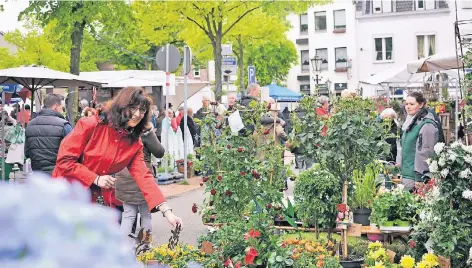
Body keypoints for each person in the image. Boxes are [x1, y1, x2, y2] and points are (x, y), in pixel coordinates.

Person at [52, 87, 182, 227]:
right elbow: (64, 161)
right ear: (121, 106)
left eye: (142, 110)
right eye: (133, 108)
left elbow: (143, 176)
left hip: (97, 200)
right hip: (67, 194)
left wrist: (167, 211)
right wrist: (95, 178)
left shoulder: (133, 142)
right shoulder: (90, 125)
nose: (137, 114)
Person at [115, 122, 165, 244]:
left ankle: (122, 248)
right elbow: (159, 152)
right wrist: (150, 131)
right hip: (142, 176)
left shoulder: (118, 128)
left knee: (128, 215)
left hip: (122, 176)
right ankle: (145, 247)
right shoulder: (144, 131)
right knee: (146, 215)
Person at [25, 94, 72, 175]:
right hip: (59, 174)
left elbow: (27, 153)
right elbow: (72, 152)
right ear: (56, 106)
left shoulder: (30, 125)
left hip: (37, 175)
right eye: (61, 107)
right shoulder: (64, 125)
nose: (62, 110)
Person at [400, 92, 439, 190]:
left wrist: (420, 177)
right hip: (407, 175)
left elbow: (425, 153)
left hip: (416, 179)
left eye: (412, 104)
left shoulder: (427, 125)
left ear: (421, 104)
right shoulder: (411, 122)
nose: (408, 107)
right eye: (406, 104)